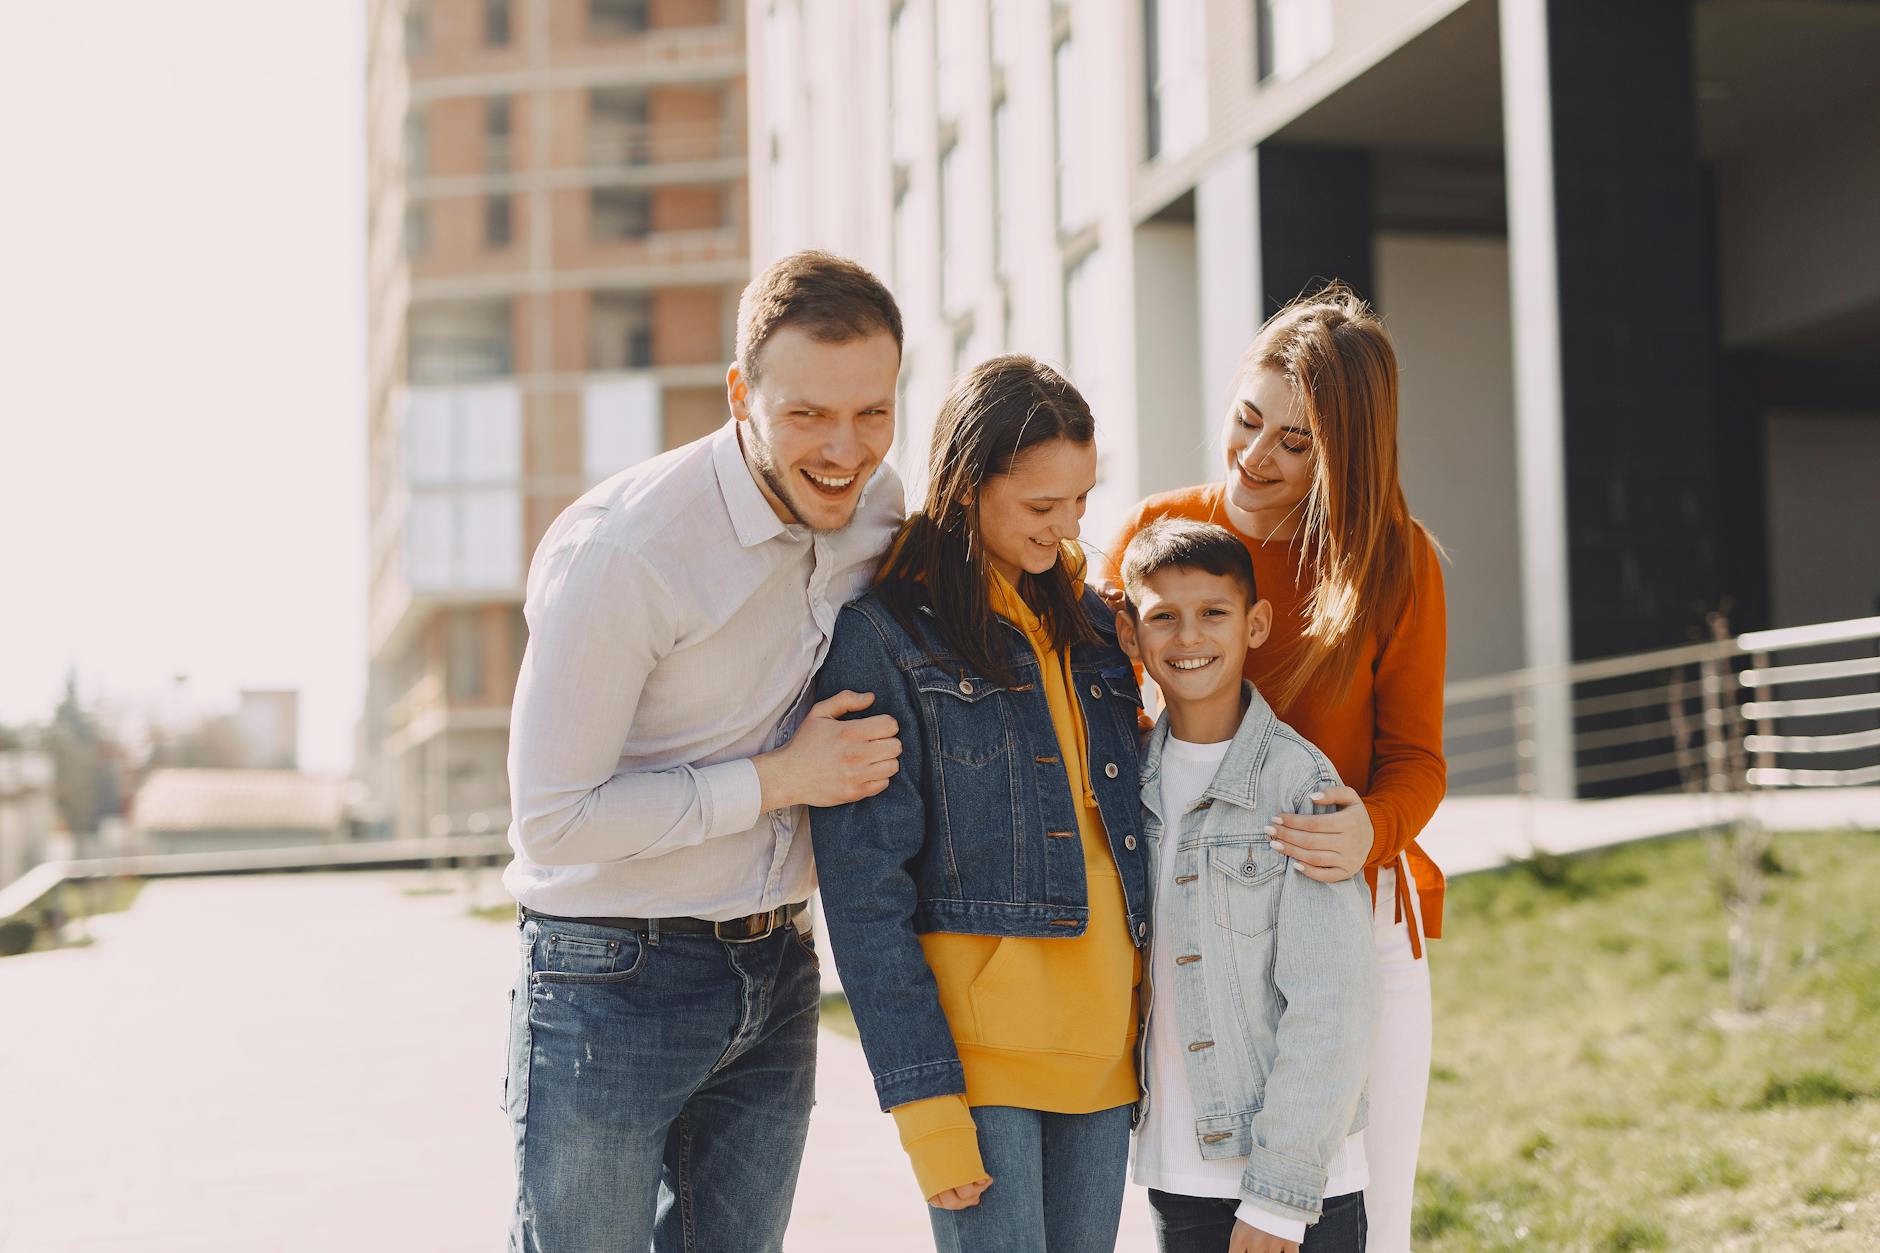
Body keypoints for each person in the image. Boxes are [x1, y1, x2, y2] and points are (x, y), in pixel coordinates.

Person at [501, 251, 908, 1252]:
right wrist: (781, 780)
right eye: (807, 414)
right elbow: (551, 817)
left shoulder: (875, 506)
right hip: (608, 976)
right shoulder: (625, 552)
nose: (844, 450)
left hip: (776, 967)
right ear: (740, 394)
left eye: (871, 412)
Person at [1106, 284, 1445, 1253]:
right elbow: (1105, 717)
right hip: (1199, 919)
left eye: (1296, 443)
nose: (1256, 458)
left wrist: (1368, 828)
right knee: (1205, 1198)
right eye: (1246, 420)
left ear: (1347, 450)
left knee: (1370, 1220)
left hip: (1352, 912)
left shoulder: (1394, 562)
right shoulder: (1155, 535)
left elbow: (1417, 760)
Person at [810, 356, 1152, 1253]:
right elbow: (864, 886)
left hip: (1109, 1055)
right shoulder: (884, 635)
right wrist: (926, 1105)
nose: (1069, 527)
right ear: (967, 487)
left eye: (1080, 501)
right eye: (1043, 508)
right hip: (981, 1068)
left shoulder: (1097, 629)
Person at [1117, 518, 1378, 1253]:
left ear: (1255, 623)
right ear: (1131, 636)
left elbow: (1335, 1001)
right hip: (1178, 1166)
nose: (1188, 635)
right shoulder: (1123, 780)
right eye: (1162, 616)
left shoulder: (1299, 784)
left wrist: (1279, 1197)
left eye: (1213, 613)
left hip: (1293, 1187)